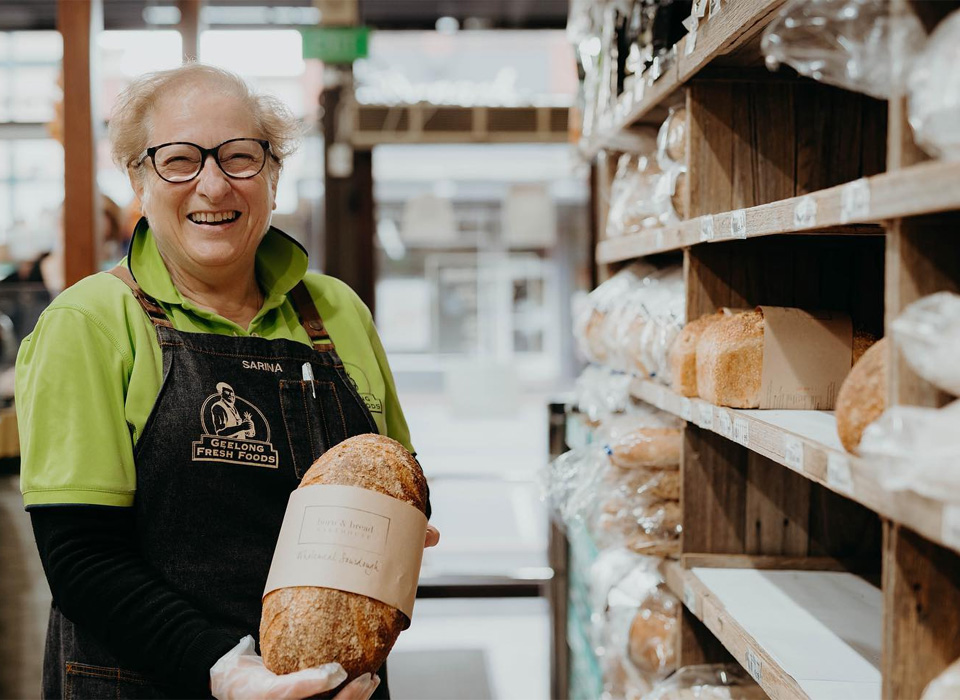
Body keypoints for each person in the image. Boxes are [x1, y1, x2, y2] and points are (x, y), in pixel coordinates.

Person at [16, 63, 439, 700]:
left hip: (332, 686)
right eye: (180, 160)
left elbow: (393, 479)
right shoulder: (90, 323)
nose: (213, 185)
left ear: (272, 174)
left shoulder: (335, 311)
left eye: (240, 157)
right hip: (153, 682)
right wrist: (227, 670)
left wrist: (399, 536)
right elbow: (82, 560)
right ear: (139, 178)